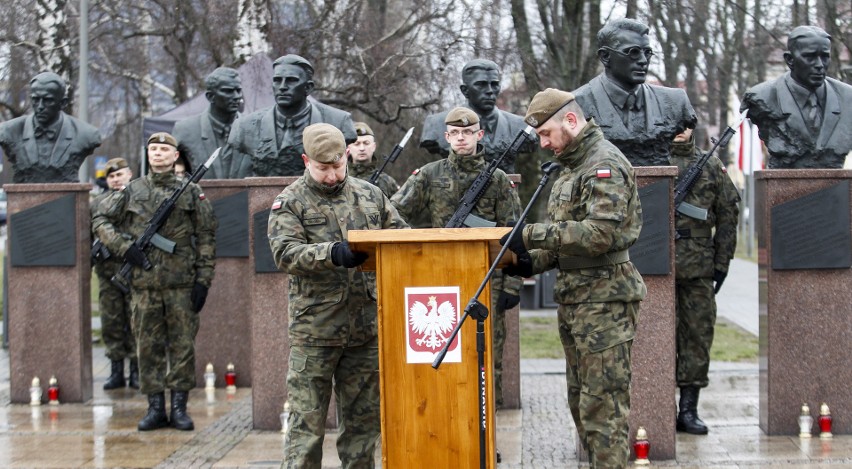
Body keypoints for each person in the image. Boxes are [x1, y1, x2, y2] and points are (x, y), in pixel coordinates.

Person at [501, 89, 646, 468]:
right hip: (577, 299)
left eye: (546, 134)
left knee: (604, 409)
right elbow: (569, 238)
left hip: (606, 302)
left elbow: (598, 235)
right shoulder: (571, 169)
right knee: (581, 402)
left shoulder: (604, 164)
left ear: (570, 120)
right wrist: (531, 262)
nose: (544, 144)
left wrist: (529, 234)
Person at [267, 123, 408, 468]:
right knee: (306, 426)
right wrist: (331, 253)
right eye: (322, 169)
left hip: (365, 332)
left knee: (363, 428)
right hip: (315, 332)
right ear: (306, 161)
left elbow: (402, 238)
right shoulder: (290, 202)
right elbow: (285, 253)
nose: (331, 176)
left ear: (347, 156)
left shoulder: (371, 195)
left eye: (337, 167)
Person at [392, 107, 522, 408]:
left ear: (480, 135)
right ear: (447, 137)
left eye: (467, 133)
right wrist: (419, 248)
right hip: (440, 280)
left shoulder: (499, 179)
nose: (461, 138)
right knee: (445, 355)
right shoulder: (429, 174)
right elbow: (394, 213)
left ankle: (488, 438)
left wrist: (514, 285)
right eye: (455, 133)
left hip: (488, 281)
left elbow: (515, 234)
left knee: (488, 359)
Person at [92, 132, 217, 432]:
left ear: (175, 156)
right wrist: (125, 248)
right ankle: (155, 407)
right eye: (153, 149)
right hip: (144, 285)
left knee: (182, 347)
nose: (158, 154)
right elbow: (100, 221)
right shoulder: (131, 191)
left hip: (181, 284)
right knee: (147, 347)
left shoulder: (191, 192)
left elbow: (206, 237)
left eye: (164, 149)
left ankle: (179, 408)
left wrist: (204, 280)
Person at [670, 127, 740, 434]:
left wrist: (722, 263)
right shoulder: (653, 161)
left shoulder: (710, 164)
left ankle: (688, 408)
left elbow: (728, 214)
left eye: (688, 124)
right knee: (655, 336)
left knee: (697, 337)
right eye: (676, 124)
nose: (681, 130)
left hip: (698, 266)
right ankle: (657, 404)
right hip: (657, 263)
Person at [572, 19, 696, 167]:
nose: (643, 61)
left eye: (647, 52)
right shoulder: (576, 104)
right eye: (633, 52)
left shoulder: (675, 102)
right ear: (605, 56)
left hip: (658, 187)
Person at [741, 25, 852, 169]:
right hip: (782, 182)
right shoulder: (761, 97)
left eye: (824, 57)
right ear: (790, 60)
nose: (819, 65)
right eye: (810, 57)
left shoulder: (848, 98)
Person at [228, 54, 357, 177]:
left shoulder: (339, 122)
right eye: (277, 80)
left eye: (291, 81)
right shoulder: (243, 128)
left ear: (308, 88)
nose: (282, 87)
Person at [419, 59, 536, 173]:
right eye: (481, 85)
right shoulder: (436, 124)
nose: (490, 91)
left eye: (494, 84)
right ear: (465, 90)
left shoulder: (522, 126)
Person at [0, 72, 101, 183]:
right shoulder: (8, 131)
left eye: (48, 100)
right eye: (35, 99)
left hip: (67, 197)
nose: (40, 106)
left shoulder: (86, 134)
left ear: (63, 103)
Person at [91, 157, 138, 390]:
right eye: (111, 176)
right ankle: (116, 370)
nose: (116, 179)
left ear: (130, 174)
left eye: (119, 175)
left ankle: (137, 370)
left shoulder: (138, 199)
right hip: (108, 273)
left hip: (134, 270)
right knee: (111, 322)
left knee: (135, 320)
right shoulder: (97, 203)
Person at [172, 67, 242, 178]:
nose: (237, 96)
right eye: (228, 91)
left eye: (238, 90)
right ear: (211, 97)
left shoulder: (253, 128)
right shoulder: (184, 130)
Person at [347, 122, 400, 198]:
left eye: (366, 143)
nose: (362, 148)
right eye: (357, 144)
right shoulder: (340, 179)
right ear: (349, 147)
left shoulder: (387, 182)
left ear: (373, 146)